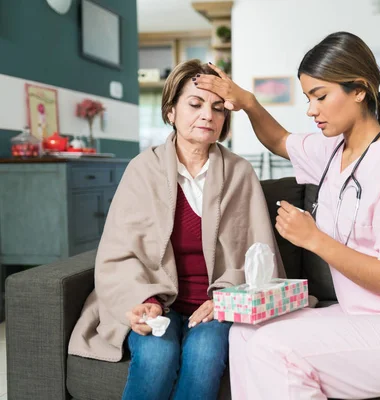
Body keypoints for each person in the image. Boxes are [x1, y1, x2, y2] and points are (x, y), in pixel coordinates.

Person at [195, 32, 380, 399]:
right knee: (244, 332)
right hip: (362, 315)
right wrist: (248, 102)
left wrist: (314, 239)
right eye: (308, 98)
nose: (311, 109)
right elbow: (278, 139)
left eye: (320, 96)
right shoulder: (333, 151)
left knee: (272, 349)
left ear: (359, 90)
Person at [68, 59, 285, 400]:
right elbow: (119, 253)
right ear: (170, 111)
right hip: (156, 303)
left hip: (216, 304)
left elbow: (260, 257)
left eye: (217, 108)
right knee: (157, 354)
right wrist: (145, 300)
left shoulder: (241, 173)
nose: (208, 116)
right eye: (195, 104)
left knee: (205, 354)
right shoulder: (141, 170)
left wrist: (226, 299)